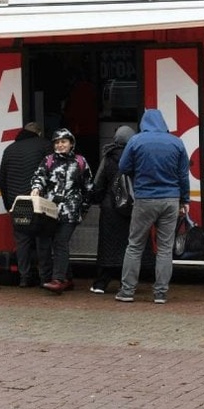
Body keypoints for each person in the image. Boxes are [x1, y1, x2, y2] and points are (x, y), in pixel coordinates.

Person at [115, 109, 190, 305]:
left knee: (135, 246)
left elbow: (123, 167)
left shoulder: (136, 141)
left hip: (145, 199)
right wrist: (185, 200)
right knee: (165, 248)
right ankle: (160, 293)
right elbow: (183, 175)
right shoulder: (176, 142)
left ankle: (127, 291)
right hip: (171, 200)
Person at [30, 128, 94, 294]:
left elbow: (88, 187)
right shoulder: (48, 160)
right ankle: (65, 278)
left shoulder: (80, 161)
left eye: (64, 142)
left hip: (71, 210)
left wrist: (84, 208)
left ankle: (58, 279)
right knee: (46, 243)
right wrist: (36, 188)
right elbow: (39, 177)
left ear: (71, 143)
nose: (60, 145)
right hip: (50, 210)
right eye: (57, 142)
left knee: (60, 242)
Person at [0, 121, 53, 287]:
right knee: (42, 240)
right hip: (38, 202)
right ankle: (45, 277)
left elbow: (2, 180)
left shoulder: (9, 149)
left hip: (18, 202)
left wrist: (9, 204)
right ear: (39, 133)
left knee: (22, 241)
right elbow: (52, 173)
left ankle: (24, 277)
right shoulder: (45, 145)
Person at [88, 125, 136, 294]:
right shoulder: (136, 156)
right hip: (131, 207)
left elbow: (98, 183)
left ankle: (101, 283)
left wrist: (96, 199)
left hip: (110, 208)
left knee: (107, 246)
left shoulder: (108, 157)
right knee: (129, 246)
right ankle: (127, 284)